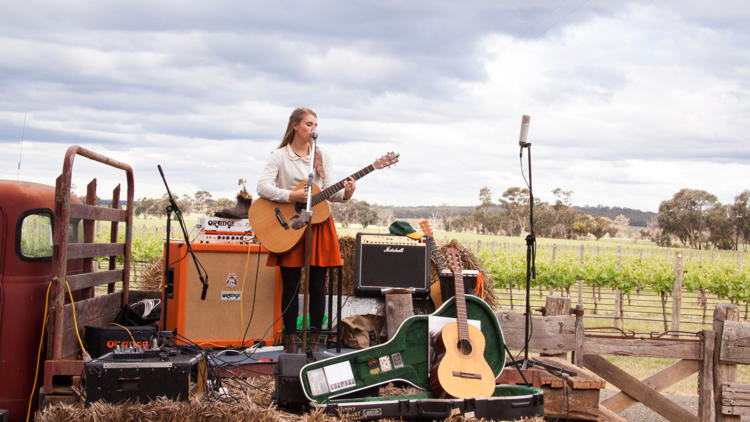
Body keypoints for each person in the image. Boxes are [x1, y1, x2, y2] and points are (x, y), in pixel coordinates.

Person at [256, 107, 356, 353]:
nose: (313, 129)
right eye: (309, 124)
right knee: (290, 284)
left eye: (315, 125)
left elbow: (331, 191)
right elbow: (262, 187)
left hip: (319, 225)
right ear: (295, 126)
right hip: (288, 225)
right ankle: (290, 339)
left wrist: (347, 195)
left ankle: (314, 341)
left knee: (317, 285)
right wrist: (291, 195)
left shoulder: (322, 156)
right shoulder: (279, 156)